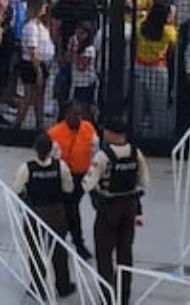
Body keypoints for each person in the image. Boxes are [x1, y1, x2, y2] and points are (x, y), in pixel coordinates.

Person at [82, 119, 150, 305]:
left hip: (108, 209)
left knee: (104, 257)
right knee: (125, 255)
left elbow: (88, 183)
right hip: (129, 208)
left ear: (113, 134)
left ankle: (107, 299)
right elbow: (144, 182)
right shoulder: (136, 154)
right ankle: (124, 298)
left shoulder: (103, 156)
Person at [12, 133, 76, 299]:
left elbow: (17, 189)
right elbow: (68, 189)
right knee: (59, 249)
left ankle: (38, 286)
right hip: (56, 212)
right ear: (51, 150)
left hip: (35, 212)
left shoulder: (27, 168)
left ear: (35, 149)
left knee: (35, 250)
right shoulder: (60, 166)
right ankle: (63, 286)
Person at [49, 102, 98, 259]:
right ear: (66, 115)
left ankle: (70, 242)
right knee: (71, 210)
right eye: (75, 114)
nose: (78, 118)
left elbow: (95, 151)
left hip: (83, 176)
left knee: (74, 208)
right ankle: (76, 244)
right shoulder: (54, 133)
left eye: (80, 114)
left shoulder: (88, 128)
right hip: (63, 179)